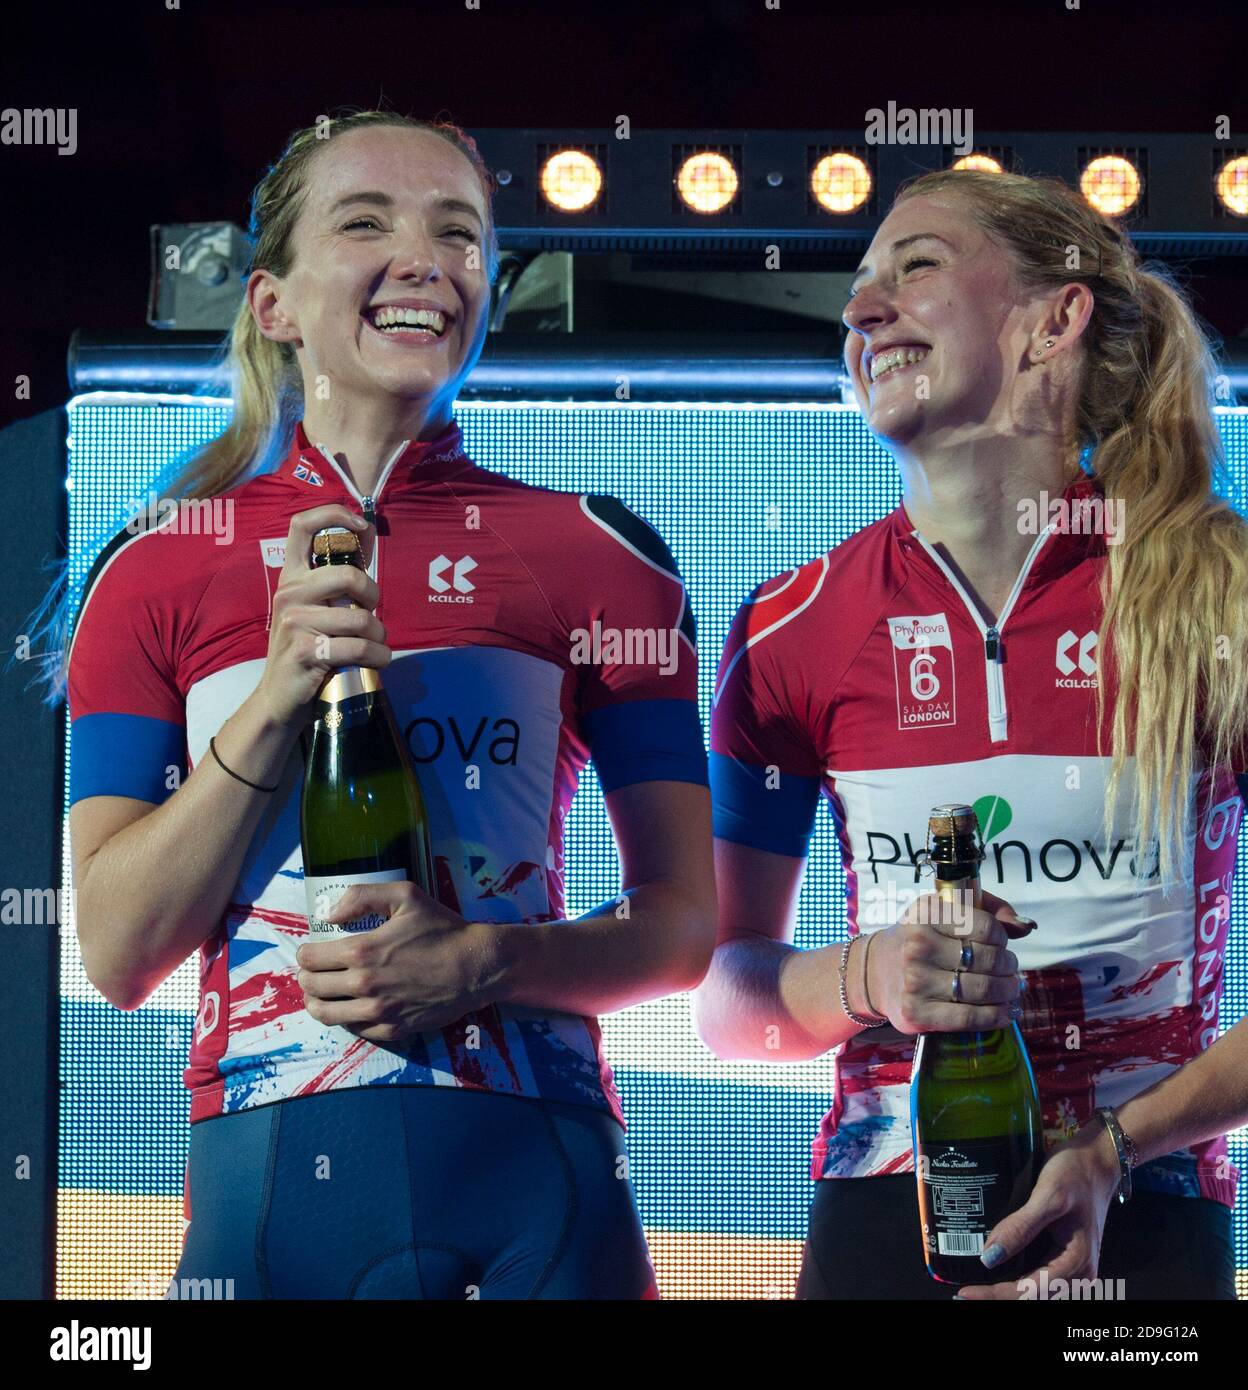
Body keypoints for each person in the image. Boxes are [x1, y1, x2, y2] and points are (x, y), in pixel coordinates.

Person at [64, 109, 715, 1300]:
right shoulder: (156, 565)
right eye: (368, 222)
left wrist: (488, 960)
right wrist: (275, 700)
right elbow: (116, 948)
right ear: (272, 304)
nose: (426, 259)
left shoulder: (603, 556)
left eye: (459, 235)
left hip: (547, 1194)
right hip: (268, 1193)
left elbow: (682, 930)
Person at [694, 167, 1248, 1301]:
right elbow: (729, 996)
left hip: (1142, 1217)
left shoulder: (1221, 596)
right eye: (856, 290)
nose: (861, 311)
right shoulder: (790, 624)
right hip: (882, 1217)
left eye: (916, 267)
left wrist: (1117, 1147)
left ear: (1056, 317)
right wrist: (871, 974)